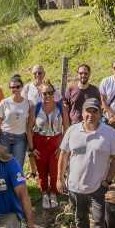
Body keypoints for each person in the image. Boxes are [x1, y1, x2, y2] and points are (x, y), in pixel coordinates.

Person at [57, 98, 115, 228]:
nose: (91, 115)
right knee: (80, 217)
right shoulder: (72, 130)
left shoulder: (109, 133)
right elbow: (64, 154)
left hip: (98, 186)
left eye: (95, 111)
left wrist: (108, 180)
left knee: (100, 221)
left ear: (100, 114)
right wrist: (59, 179)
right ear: (82, 113)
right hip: (75, 186)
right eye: (88, 111)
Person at [27, 81, 69, 209]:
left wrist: (62, 147)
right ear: (41, 94)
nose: (48, 95)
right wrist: (32, 148)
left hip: (56, 141)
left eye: (51, 93)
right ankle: (44, 194)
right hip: (40, 140)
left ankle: (54, 193)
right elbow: (29, 129)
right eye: (45, 93)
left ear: (54, 93)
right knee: (42, 169)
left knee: (54, 169)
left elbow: (67, 128)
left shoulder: (61, 107)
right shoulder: (36, 108)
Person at [23, 64, 62, 179]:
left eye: (40, 73)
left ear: (44, 74)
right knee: (31, 147)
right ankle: (33, 170)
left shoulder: (49, 87)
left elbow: (60, 100)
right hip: (32, 121)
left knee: (45, 149)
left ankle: (47, 171)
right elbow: (21, 101)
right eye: (35, 73)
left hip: (47, 123)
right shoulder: (28, 87)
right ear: (32, 75)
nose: (37, 75)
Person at [0, 75, 30, 169]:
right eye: (12, 87)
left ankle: (17, 184)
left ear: (22, 87)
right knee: (3, 165)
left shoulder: (28, 103)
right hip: (4, 137)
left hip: (20, 138)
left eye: (18, 87)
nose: (15, 89)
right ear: (9, 89)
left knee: (17, 166)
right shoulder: (4, 102)